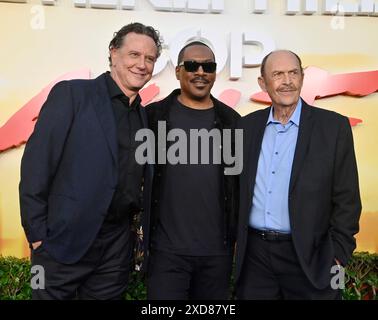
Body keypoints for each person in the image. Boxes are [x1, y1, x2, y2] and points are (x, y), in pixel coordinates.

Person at [19, 22, 161, 300]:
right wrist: (37, 235)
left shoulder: (143, 116)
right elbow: (37, 165)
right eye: (134, 55)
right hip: (62, 241)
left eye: (150, 58)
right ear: (113, 54)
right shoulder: (72, 94)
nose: (142, 64)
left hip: (116, 246)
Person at [235, 50, 361, 299]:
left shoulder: (334, 127)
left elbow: (347, 199)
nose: (287, 81)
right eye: (278, 74)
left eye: (294, 73)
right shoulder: (246, 127)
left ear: (303, 77)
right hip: (255, 259)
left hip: (311, 256)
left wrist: (337, 256)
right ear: (263, 83)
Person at [145, 39, 240, 300]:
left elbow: (239, 184)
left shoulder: (232, 122)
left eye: (207, 66)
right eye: (192, 65)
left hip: (217, 256)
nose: (200, 72)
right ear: (178, 71)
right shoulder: (152, 117)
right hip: (166, 254)